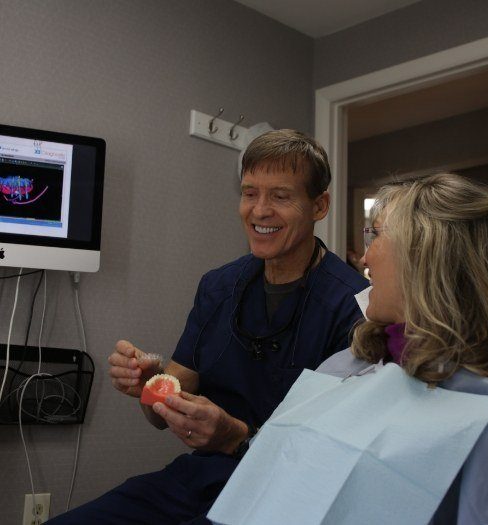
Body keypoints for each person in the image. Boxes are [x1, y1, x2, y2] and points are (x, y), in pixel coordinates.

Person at [47, 129, 367, 524]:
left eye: (280, 196)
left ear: (319, 205)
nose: (260, 210)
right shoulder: (219, 287)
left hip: (285, 497)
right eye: (250, 193)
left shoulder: (354, 307)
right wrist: (151, 386)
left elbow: (338, 459)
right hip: (201, 478)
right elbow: (161, 411)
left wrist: (236, 437)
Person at [208, 173, 488, 525]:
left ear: (426, 258)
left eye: (377, 235)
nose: (364, 258)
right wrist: (234, 437)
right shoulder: (349, 362)